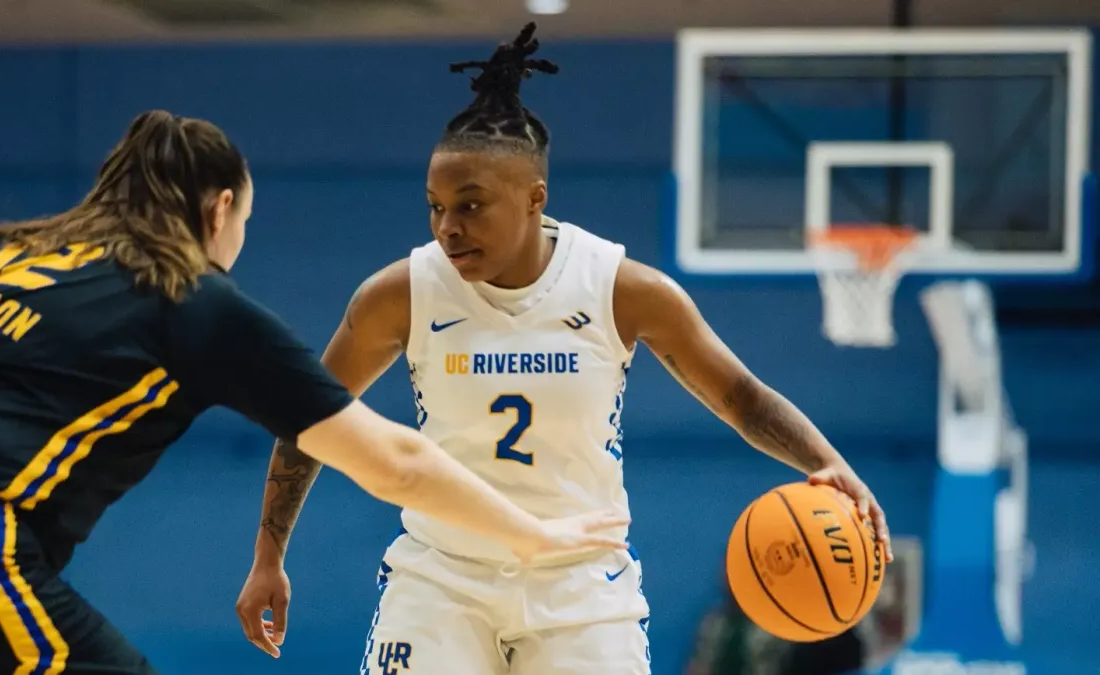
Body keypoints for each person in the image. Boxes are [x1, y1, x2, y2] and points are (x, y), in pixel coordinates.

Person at [235, 23, 893, 675]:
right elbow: (310, 418)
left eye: (470, 205)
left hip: (581, 580)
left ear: (533, 198)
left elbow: (742, 398)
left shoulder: (620, 288)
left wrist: (828, 461)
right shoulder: (400, 293)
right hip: (444, 576)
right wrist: (269, 555)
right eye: (435, 206)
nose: (448, 227)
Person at [0, 110, 629, 675]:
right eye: (243, 222)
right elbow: (392, 460)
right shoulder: (187, 297)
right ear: (218, 211)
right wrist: (533, 533)